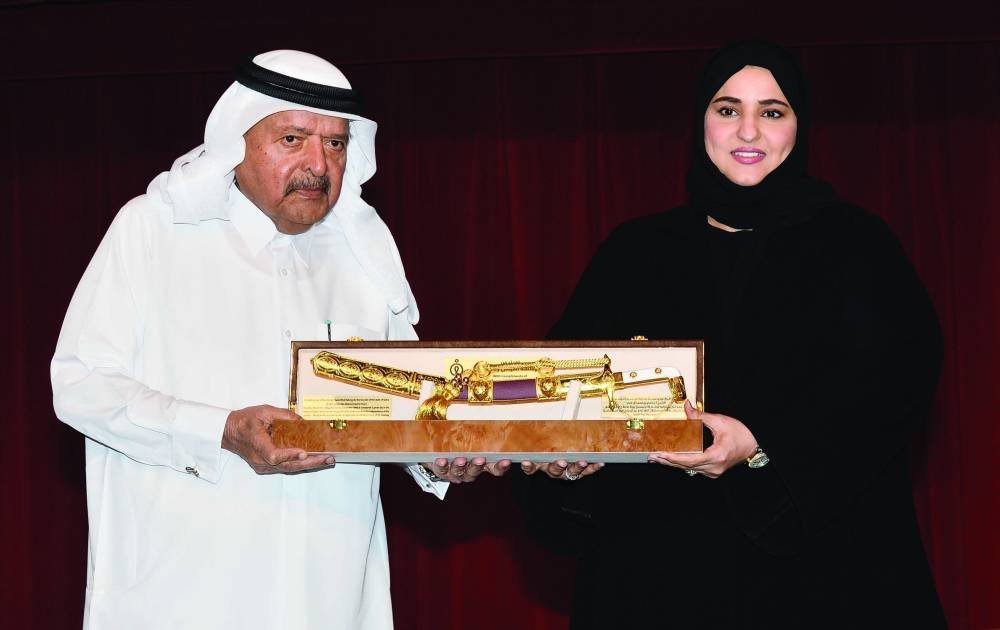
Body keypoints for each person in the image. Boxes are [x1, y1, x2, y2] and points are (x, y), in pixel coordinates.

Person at [51, 50, 504, 630]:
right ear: (237, 140)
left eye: (336, 144)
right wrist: (221, 431)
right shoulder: (155, 230)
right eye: (293, 139)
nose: (318, 164)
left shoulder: (362, 255)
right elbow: (81, 386)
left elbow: (407, 408)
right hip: (182, 594)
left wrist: (440, 460)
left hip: (330, 594)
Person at [515, 41, 946, 628]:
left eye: (772, 111)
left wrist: (761, 443)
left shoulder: (858, 246)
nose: (749, 131)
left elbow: (893, 386)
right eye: (726, 109)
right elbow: (565, 386)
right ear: (701, 123)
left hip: (821, 573)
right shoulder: (635, 251)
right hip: (658, 576)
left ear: (799, 124)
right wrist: (566, 456)